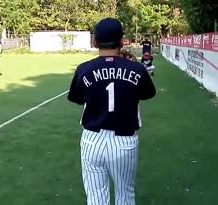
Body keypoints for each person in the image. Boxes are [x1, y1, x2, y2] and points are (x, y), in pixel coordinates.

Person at [67, 18, 156, 205]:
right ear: (122, 41)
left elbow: (76, 98)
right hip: (124, 141)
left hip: (92, 140)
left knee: (96, 197)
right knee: (125, 195)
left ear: (95, 42)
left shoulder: (84, 69)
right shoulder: (137, 69)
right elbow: (149, 93)